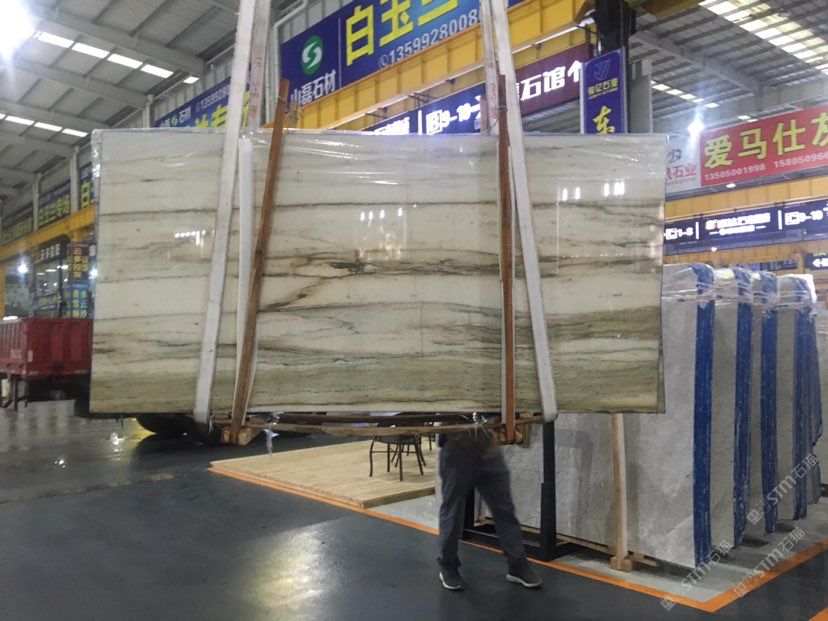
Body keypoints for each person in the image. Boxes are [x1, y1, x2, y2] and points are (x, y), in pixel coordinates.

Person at [437, 425, 542, 591]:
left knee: (504, 509)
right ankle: (448, 565)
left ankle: (517, 564)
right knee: (453, 511)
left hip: (487, 446)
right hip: (456, 446)